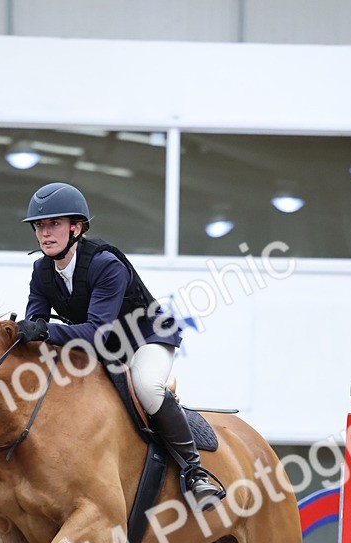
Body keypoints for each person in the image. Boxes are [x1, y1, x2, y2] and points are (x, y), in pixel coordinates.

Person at [15, 181, 224, 508]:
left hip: (145, 338)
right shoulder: (42, 271)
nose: (45, 233)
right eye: (39, 226)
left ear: (76, 227)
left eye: (54, 224)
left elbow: (95, 331)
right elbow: (35, 326)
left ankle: (195, 472)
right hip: (101, 347)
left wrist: (42, 332)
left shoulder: (105, 263)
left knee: (147, 386)